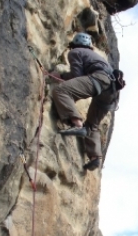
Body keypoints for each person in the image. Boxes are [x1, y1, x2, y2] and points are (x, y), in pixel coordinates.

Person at [52, 32, 125, 171]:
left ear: (74, 44)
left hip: (100, 80)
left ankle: (77, 125)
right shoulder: (98, 57)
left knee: (61, 91)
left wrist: (60, 76)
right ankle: (95, 157)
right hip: (112, 91)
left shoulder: (76, 52)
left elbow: (76, 76)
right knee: (92, 125)